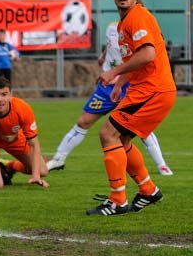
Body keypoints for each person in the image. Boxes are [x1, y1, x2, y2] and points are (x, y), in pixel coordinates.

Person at [85, 0, 177, 216]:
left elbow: (147, 54)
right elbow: (138, 58)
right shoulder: (126, 21)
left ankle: (118, 200)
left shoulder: (137, 17)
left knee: (108, 133)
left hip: (153, 89)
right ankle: (148, 190)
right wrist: (120, 81)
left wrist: (113, 72)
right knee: (120, 139)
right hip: (146, 88)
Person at [46, 20, 173, 176]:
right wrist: (103, 56)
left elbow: (143, 56)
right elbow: (110, 44)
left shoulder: (141, 29)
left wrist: (119, 77)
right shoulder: (113, 26)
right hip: (107, 87)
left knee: (140, 128)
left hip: (130, 85)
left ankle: (161, 165)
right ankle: (59, 159)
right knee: (84, 121)